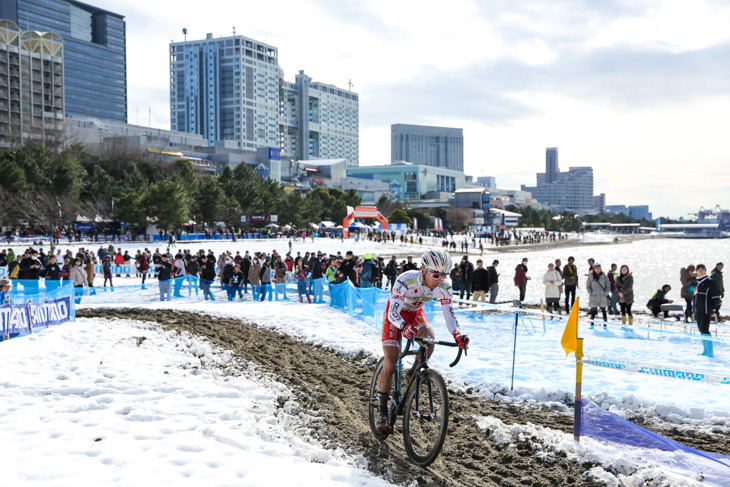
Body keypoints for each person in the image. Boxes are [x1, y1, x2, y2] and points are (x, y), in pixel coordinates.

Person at [376, 248, 469, 435]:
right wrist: (403, 326)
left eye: (444, 275)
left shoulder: (444, 287)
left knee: (429, 340)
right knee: (392, 362)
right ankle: (383, 412)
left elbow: (449, 313)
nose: (440, 280)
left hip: (416, 313)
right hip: (396, 316)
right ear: (424, 270)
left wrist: (457, 334)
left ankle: (414, 374)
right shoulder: (406, 279)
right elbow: (394, 313)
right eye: (436, 275)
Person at [694, 264, 721, 357]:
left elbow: (716, 298)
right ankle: (705, 350)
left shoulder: (710, 281)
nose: (701, 271)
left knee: (705, 330)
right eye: (699, 270)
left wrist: (714, 310)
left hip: (706, 310)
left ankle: (710, 352)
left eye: (702, 269)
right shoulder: (696, 282)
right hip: (698, 310)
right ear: (696, 271)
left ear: (705, 270)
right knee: (701, 330)